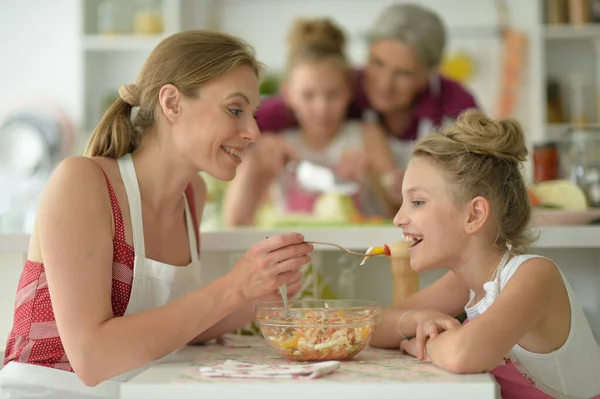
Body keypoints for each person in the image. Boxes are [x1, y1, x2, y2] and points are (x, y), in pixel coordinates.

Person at [0, 30, 313, 399]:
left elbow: (164, 327)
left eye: (253, 114)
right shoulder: (83, 183)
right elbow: (92, 358)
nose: (253, 131)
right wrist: (234, 287)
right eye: (235, 110)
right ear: (172, 103)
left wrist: (252, 302)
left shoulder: (192, 195)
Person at [369, 109, 600, 399]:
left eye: (417, 202)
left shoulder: (535, 275)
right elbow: (371, 324)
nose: (399, 218)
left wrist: (422, 344)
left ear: (474, 214)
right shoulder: (466, 282)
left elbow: (463, 354)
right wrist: (417, 320)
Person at [252, 3, 479, 202]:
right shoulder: (344, 86)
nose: (383, 84)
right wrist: (262, 140)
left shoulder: (457, 107)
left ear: (428, 74)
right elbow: (255, 118)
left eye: (402, 73)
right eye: (377, 62)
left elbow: (476, 179)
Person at [224, 17, 397, 226]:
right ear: (288, 94)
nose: (321, 108)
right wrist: (255, 157)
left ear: (349, 91)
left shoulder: (367, 135)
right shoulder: (278, 145)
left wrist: (372, 173)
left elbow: (397, 211)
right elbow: (235, 220)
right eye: (308, 95)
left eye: (332, 94)